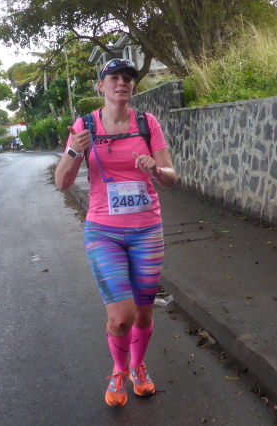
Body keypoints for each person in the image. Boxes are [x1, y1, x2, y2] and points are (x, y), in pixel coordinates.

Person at [55, 58, 176, 407]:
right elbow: (62, 182)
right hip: (103, 232)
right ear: (101, 85)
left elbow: (171, 176)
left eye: (127, 78)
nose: (121, 83)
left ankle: (138, 367)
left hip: (146, 231)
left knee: (143, 313)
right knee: (121, 318)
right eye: (114, 78)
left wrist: (156, 170)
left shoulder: (146, 123)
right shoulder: (85, 125)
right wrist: (74, 150)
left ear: (133, 86)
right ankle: (119, 369)